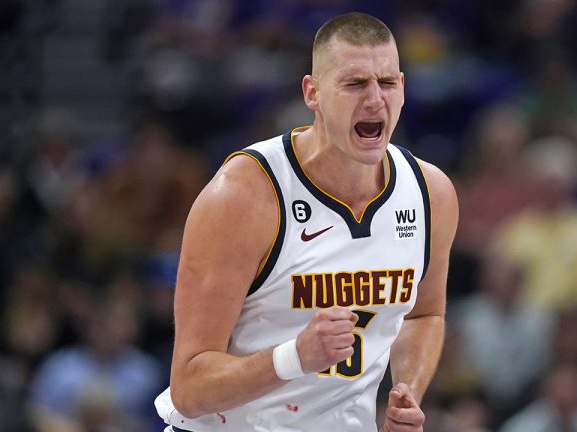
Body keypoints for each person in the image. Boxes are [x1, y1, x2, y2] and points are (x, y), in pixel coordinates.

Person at [153, 12, 458, 432]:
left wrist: (407, 390)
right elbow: (189, 385)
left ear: (402, 89)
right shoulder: (244, 196)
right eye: (354, 84)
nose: (374, 100)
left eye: (386, 83)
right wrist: (295, 357)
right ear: (312, 93)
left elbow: (424, 315)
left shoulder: (430, 193)